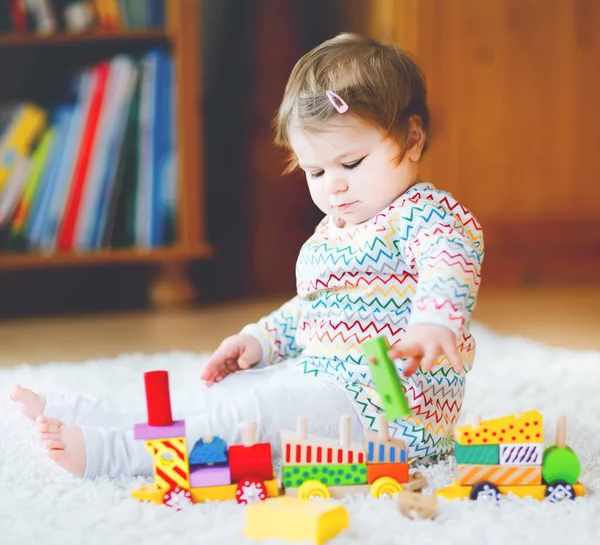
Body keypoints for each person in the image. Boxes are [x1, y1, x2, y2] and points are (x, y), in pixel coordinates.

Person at [10, 33, 483, 480]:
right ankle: (97, 417)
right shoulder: (336, 230)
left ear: (412, 139)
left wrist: (434, 321)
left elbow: (451, 261)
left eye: (351, 164)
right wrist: (260, 339)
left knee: (253, 416)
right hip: (326, 380)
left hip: (390, 411)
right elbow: (315, 311)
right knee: (222, 394)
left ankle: (116, 455)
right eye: (315, 170)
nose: (333, 185)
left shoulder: (426, 215)